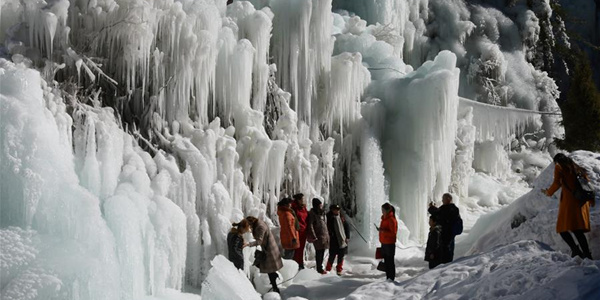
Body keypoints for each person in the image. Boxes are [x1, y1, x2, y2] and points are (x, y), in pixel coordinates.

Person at [543, 153, 595, 259]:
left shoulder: (559, 167)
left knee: (562, 228)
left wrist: (548, 192)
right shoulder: (576, 167)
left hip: (570, 202)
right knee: (577, 229)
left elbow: (557, 183)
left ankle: (576, 251)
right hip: (581, 202)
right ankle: (586, 255)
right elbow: (586, 183)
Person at [245, 216, 284, 293]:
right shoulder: (258, 223)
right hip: (268, 248)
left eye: (249, 225)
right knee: (269, 269)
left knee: (268, 268)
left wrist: (248, 244)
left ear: (251, 223)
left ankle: (275, 287)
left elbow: (259, 241)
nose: (249, 228)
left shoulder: (260, 227)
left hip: (269, 249)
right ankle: (274, 281)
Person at [428, 193, 461, 263]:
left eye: (443, 199)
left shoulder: (448, 208)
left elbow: (438, 213)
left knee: (445, 250)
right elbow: (440, 213)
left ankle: (445, 265)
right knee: (449, 249)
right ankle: (447, 263)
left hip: (445, 234)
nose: (442, 201)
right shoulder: (454, 209)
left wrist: (431, 207)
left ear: (448, 199)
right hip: (450, 233)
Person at [307, 198, 330, 274]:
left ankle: (320, 266)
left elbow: (325, 224)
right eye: (320, 205)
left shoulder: (322, 213)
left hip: (324, 235)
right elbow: (310, 225)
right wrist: (313, 236)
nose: (321, 206)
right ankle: (319, 268)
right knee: (319, 252)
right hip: (318, 235)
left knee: (322, 251)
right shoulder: (312, 214)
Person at [326, 204, 350, 275]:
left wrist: (347, 237)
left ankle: (339, 269)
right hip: (333, 239)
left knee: (341, 255)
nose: (337, 211)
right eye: (335, 209)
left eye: (338, 209)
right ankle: (328, 269)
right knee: (332, 255)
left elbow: (346, 227)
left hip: (342, 239)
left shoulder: (341, 217)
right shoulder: (329, 217)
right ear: (332, 210)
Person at [377, 202, 398, 281]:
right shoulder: (384, 219)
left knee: (390, 262)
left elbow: (393, 233)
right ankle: (388, 278)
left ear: (387, 210)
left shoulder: (391, 220)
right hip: (384, 243)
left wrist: (383, 231)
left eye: (383, 210)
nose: (382, 211)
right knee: (386, 262)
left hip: (389, 244)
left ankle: (391, 278)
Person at [292, 193, 309, 269]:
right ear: (298, 200)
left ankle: (300, 262)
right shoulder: (294, 207)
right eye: (301, 199)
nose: (303, 201)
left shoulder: (303, 208)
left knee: (301, 248)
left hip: (304, 230)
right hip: (298, 230)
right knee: (297, 248)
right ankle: (296, 263)